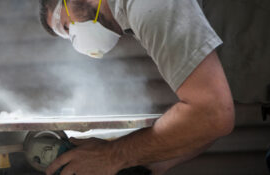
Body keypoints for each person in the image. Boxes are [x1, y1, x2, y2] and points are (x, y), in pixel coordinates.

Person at [38, 0, 269, 174]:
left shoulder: (146, 4)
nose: (74, 40)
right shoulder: (136, 14)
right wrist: (143, 166)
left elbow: (211, 113)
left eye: (66, 27)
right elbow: (204, 123)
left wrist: (113, 155)